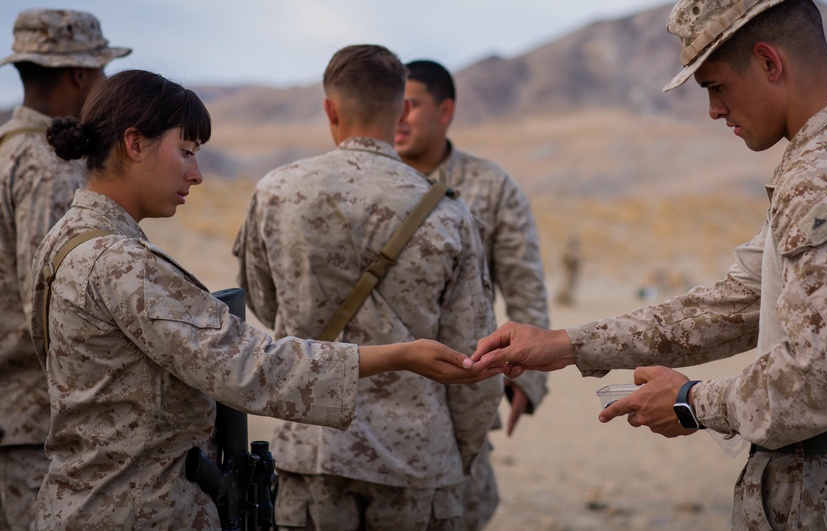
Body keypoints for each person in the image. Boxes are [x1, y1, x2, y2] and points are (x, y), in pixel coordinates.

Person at [471, 0, 827, 529]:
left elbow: (825, 380)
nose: (714, 111)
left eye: (716, 86)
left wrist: (691, 403)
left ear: (771, 63)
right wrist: (566, 344)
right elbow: (732, 305)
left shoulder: (826, 176)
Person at [30, 69, 497, 530]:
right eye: (186, 152)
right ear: (134, 144)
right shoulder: (120, 261)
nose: (196, 174)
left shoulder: (65, 240)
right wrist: (400, 354)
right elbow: (252, 366)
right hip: (134, 511)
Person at [234, 46, 503, 531]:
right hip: (417, 459)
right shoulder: (446, 212)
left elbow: (262, 301)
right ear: (401, 110)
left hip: (312, 447)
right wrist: (453, 456)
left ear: (330, 109)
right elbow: (474, 356)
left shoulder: (276, 192)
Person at [395, 59, 550, 530]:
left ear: (445, 111)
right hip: (371, 389)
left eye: (412, 105)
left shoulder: (491, 187)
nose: (399, 117)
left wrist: (528, 378)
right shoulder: (369, 184)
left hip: (457, 397)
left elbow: (524, 285)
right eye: (392, 105)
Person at [0, 8, 130, 530]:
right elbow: (60, 295)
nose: (103, 84)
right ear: (80, 75)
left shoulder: (9, 151)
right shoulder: (45, 164)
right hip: (36, 419)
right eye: (100, 71)